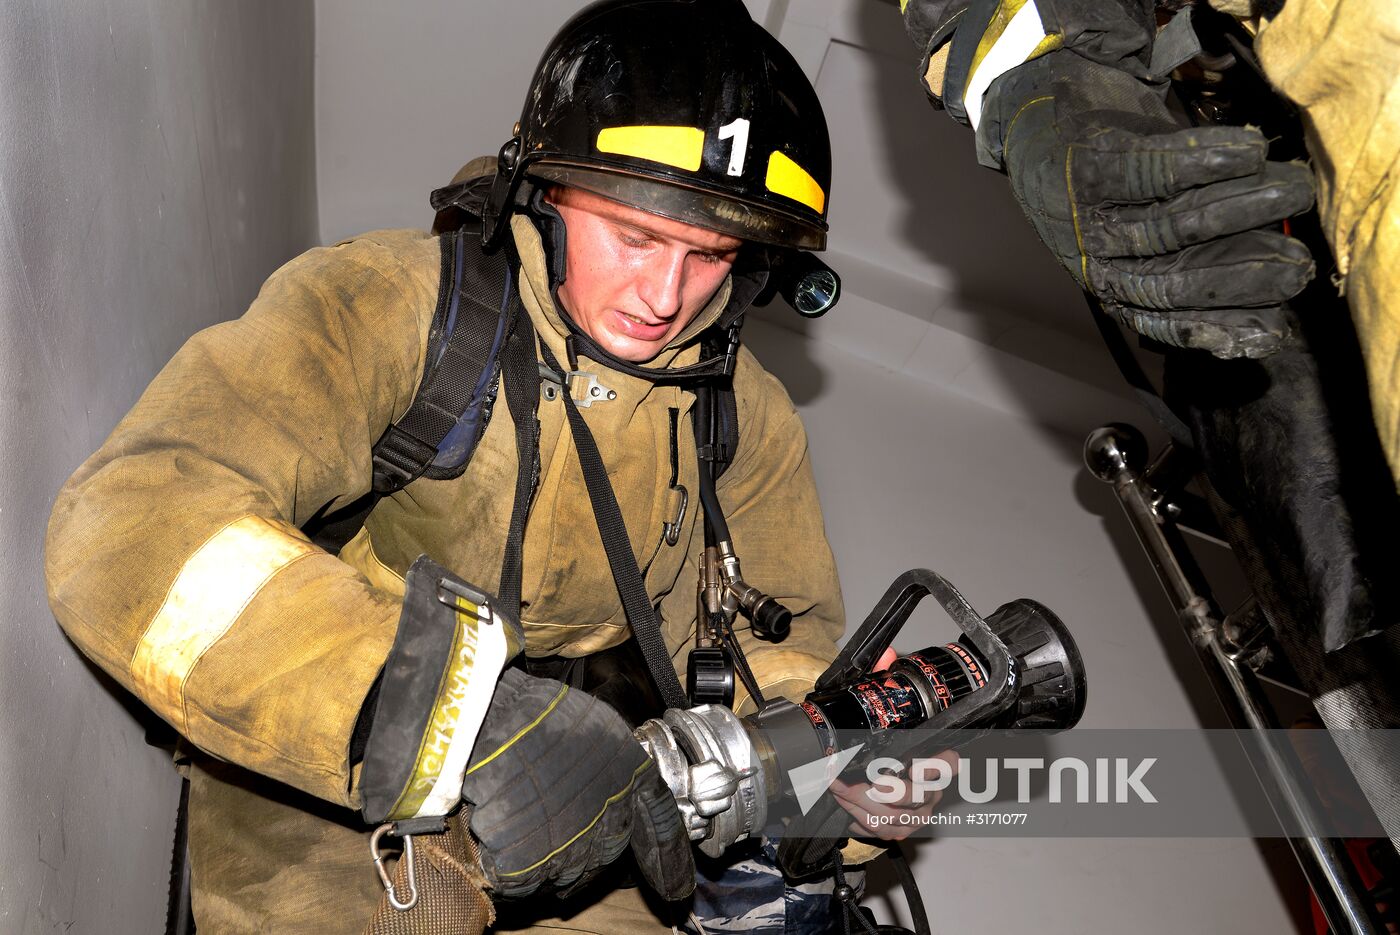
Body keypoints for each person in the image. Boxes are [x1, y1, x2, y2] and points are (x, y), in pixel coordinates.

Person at [45, 2, 937, 932]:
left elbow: (775, 660)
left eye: (710, 255)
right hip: (348, 757)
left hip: (610, 802)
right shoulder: (396, 301)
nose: (667, 296)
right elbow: (134, 518)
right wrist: (452, 715)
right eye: (634, 237)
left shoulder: (746, 418)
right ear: (545, 192)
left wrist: (843, 764)